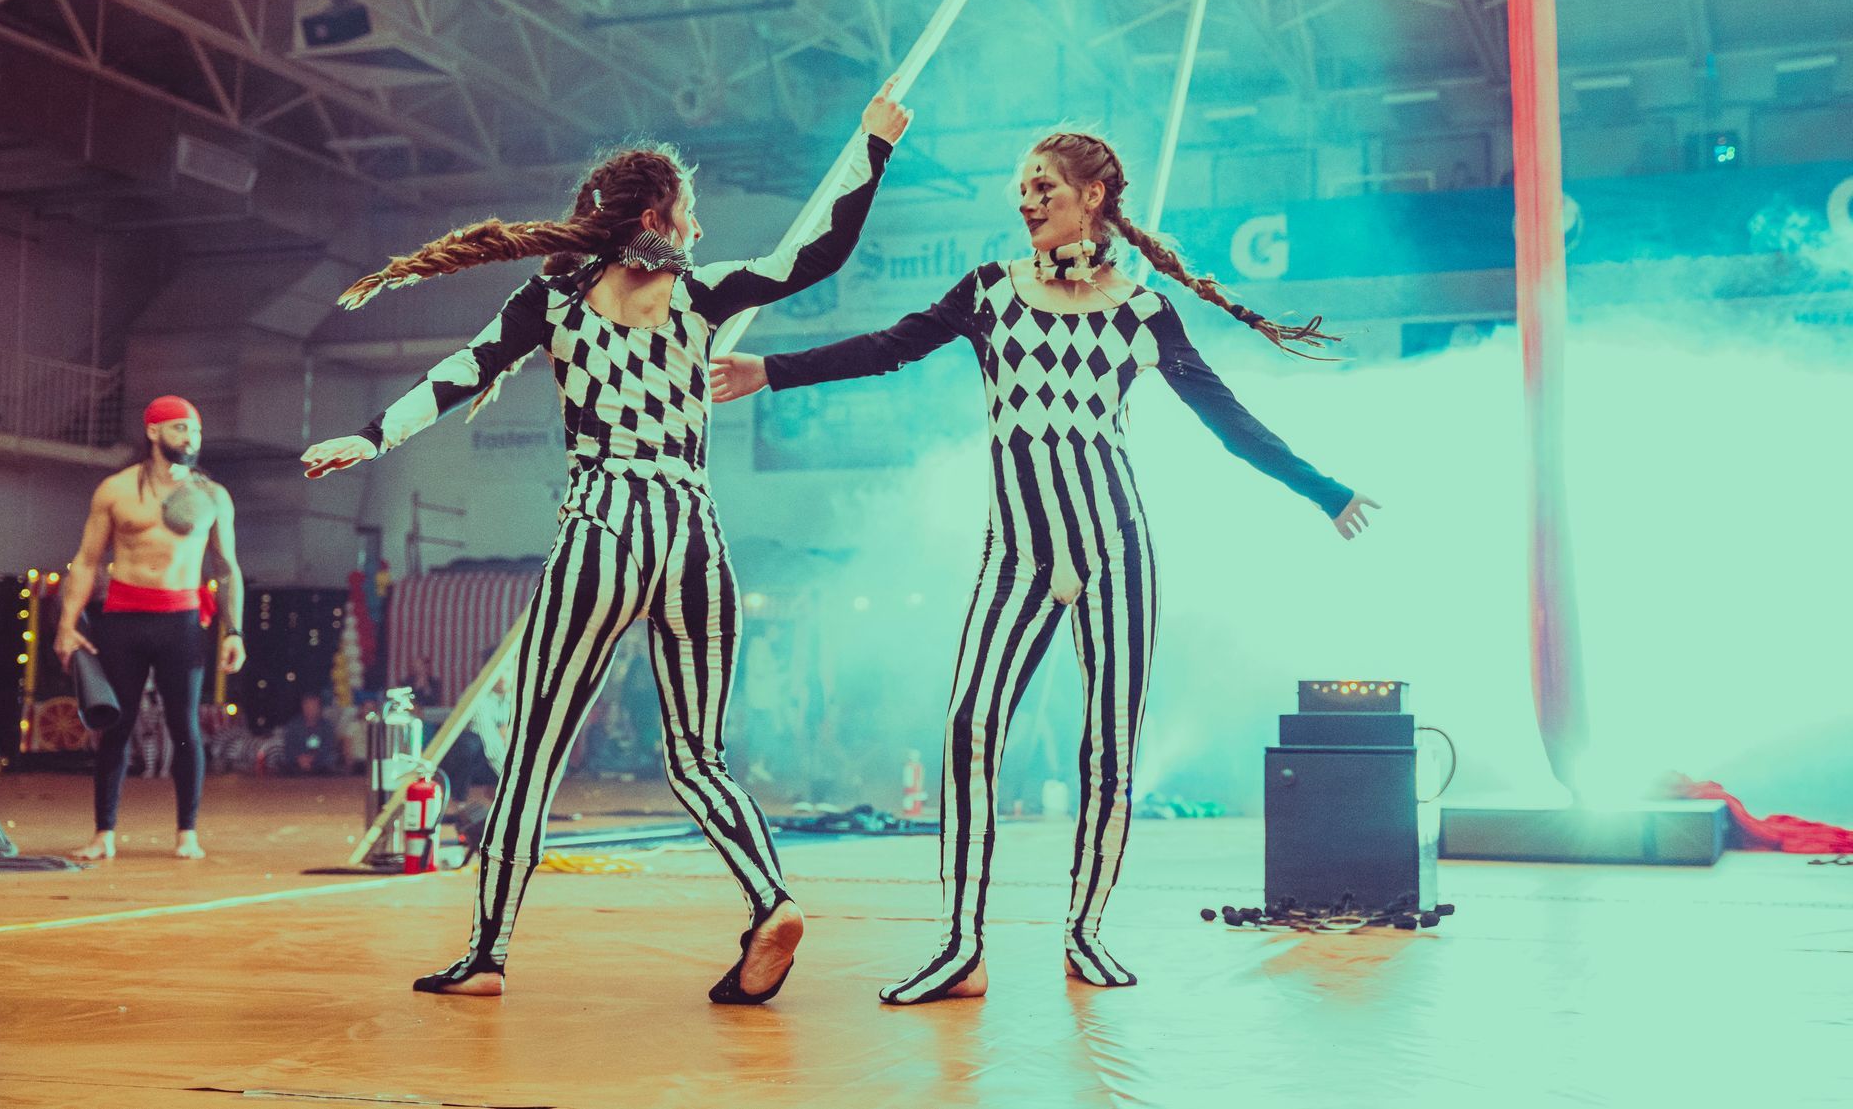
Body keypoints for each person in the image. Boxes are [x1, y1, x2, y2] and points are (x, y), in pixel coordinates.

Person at [711, 131, 1378, 1004]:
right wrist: (771, 370)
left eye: (1044, 187)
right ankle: (961, 946)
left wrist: (1323, 489)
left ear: (1091, 197)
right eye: (1021, 188)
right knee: (968, 727)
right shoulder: (989, 292)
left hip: (1115, 554)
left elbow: (1229, 421)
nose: (1026, 200)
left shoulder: (1142, 312)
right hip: (1017, 557)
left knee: (1110, 747)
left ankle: (1085, 931)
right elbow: (889, 345)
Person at [301, 80, 911, 1003]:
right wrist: (871, 146)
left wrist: (373, 435)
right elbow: (814, 255)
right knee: (697, 757)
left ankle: (487, 954)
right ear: (658, 217)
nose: (700, 227)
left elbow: (462, 371)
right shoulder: (702, 294)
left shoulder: (553, 300)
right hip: (694, 534)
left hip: (605, 524)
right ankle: (771, 898)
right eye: (691, 210)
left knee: (535, 752)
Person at [54, 396, 246, 860]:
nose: (190, 438)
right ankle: (103, 834)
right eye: (180, 428)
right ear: (153, 431)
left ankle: (187, 833)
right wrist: (66, 624)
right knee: (115, 727)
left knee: (185, 726)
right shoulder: (116, 490)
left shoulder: (212, 496)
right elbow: (87, 561)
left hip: (181, 621)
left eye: (195, 431)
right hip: (123, 618)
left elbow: (226, 569)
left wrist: (235, 630)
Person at [279, 692, 345, 775]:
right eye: (307, 706)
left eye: (313, 707)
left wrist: (313, 758)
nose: (310, 710)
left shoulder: (327, 727)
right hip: (297, 766)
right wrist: (299, 758)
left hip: (322, 767)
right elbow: (289, 748)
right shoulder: (293, 726)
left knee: (330, 762)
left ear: (319, 708)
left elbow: (329, 748)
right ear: (302, 707)